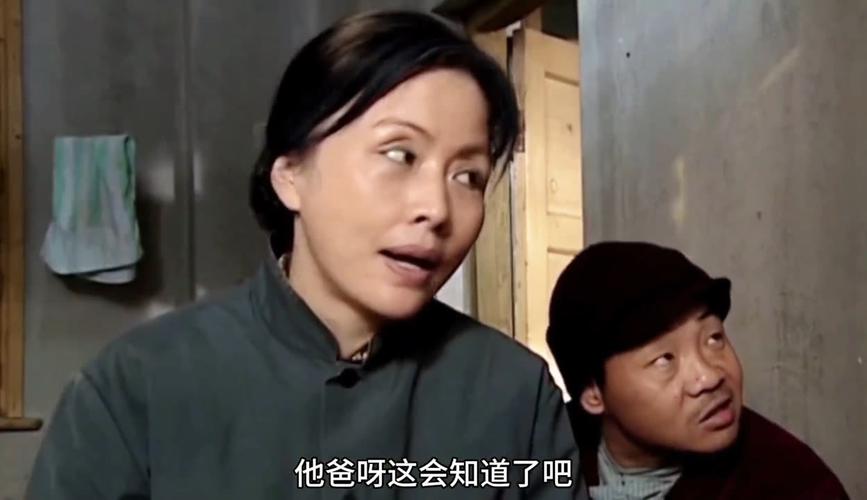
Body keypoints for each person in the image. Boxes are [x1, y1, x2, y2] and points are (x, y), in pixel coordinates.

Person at [27, 10, 585, 500]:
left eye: (468, 176)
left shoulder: (517, 395)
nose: (436, 208)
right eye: (399, 154)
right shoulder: (135, 388)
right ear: (291, 174)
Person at [546, 241, 848, 499]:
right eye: (665, 359)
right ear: (593, 392)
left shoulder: (792, 483)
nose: (710, 376)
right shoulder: (542, 451)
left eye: (714, 339)